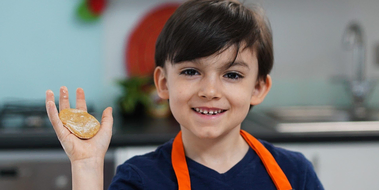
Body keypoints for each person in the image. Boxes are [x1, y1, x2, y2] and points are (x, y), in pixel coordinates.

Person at [46, 0, 324, 189]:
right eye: (191, 72)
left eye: (232, 75)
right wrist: (87, 166)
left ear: (258, 88)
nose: (210, 91)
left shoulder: (294, 173)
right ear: (163, 83)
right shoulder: (140, 179)